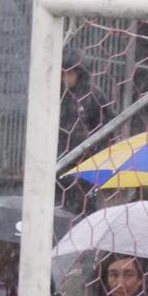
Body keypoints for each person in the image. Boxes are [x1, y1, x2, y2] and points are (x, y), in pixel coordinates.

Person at [58, 46, 109, 212]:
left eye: (70, 73)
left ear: (80, 73)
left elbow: (106, 128)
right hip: (56, 165)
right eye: (63, 73)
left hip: (83, 168)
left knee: (82, 211)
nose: (66, 78)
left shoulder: (93, 95)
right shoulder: (52, 93)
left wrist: (94, 153)